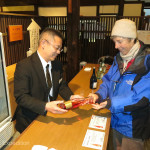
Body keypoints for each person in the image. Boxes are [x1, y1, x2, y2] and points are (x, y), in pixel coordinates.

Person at [88, 19, 150, 150]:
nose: (116, 46)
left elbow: (141, 96)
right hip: (115, 119)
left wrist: (110, 103)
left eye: (119, 41)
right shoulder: (119, 59)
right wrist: (99, 94)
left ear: (132, 39)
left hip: (132, 126)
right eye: (114, 41)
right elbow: (108, 80)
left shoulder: (146, 62)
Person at [13, 28, 81, 133]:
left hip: (50, 115)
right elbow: (21, 97)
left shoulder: (57, 64)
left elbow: (61, 85)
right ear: (43, 43)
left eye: (60, 49)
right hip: (30, 120)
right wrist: (45, 106)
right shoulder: (24, 66)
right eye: (57, 48)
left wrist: (71, 96)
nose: (59, 52)